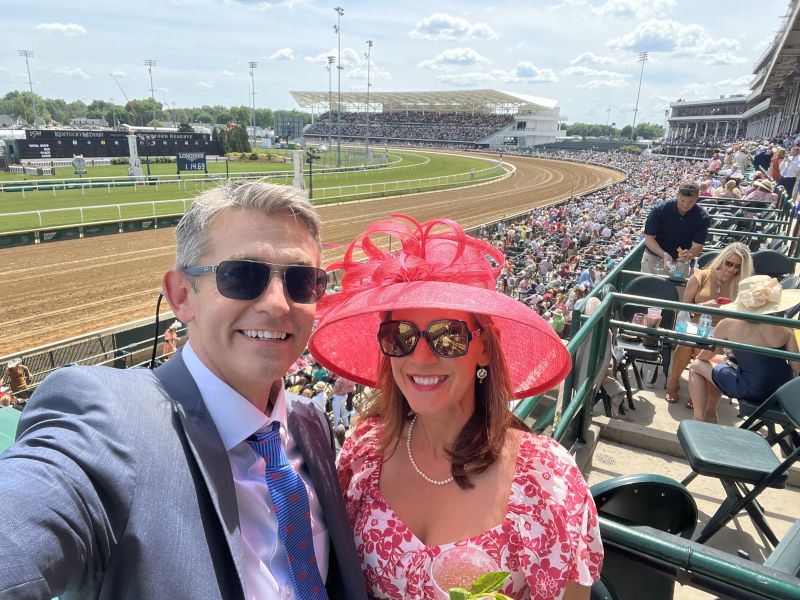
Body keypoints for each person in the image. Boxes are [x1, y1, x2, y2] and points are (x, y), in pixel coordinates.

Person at [0, 183, 367, 599]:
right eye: (242, 275)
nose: (277, 304)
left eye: (301, 281)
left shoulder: (309, 420)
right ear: (181, 295)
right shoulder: (106, 419)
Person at [308, 215, 603, 600]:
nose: (422, 357)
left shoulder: (545, 477)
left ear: (483, 346)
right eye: (401, 336)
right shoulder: (363, 453)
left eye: (448, 337)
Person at [688, 276, 800, 423]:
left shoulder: (728, 324)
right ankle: (710, 413)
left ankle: (699, 418)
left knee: (696, 366)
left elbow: (705, 357)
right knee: (719, 363)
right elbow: (796, 367)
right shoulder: (785, 327)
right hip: (782, 389)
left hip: (751, 390)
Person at [664, 243, 753, 406]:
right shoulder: (701, 276)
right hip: (695, 324)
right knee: (686, 344)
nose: (732, 269)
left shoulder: (742, 286)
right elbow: (684, 308)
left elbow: (744, 317)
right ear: (722, 260)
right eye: (729, 263)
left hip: (723, 330)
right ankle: (673, 382)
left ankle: (697, 391)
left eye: (738, 267)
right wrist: (703, 307)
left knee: (702, 347)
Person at [641, 180, 711, 275]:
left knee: (678, 289)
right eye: (682, 201)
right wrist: (663, 254)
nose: (686, 205)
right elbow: (649, 238)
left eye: (691, 201)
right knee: (649, 288)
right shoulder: (660, 209)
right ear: (677, 195)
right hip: (654, 257)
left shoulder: (702, 217)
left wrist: (689, 254)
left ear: (697, 198)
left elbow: (698, 246)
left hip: (681, 262)